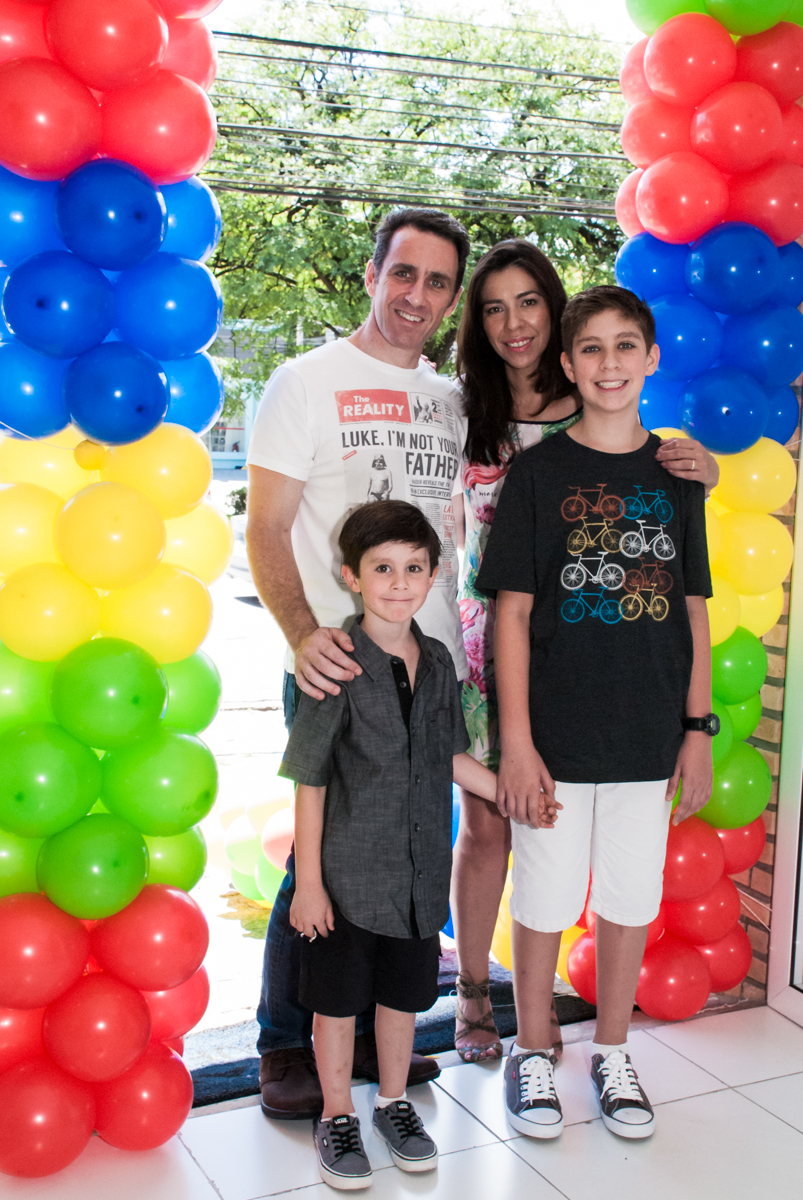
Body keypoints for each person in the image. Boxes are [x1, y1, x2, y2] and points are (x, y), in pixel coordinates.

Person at [450, 239, 720, 1064]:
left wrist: (697, 727)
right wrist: (519, 737)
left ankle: (610, 1051)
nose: (511, 321)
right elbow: (513, 606)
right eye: (492, 307)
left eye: (526, 301)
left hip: (640, 719)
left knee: (627, 885)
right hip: (523, 679)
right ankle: (505, 1023)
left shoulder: (665, 463)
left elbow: (691, 602)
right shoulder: (491, 433)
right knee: (520, 857)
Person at [245, 207, 471, 1120]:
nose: (417, 295)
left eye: (437, 282)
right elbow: (263, 527)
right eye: (403, 274)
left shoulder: (453, 399)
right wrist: (304, 634)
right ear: (372, 275)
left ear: (452, 299)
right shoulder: (304, 382)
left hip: (431, 669)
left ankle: (381, 1045)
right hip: (335, 668)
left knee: (406, 861)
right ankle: (283, 1046)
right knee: (319, 863)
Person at [281, 501, 545, 1189]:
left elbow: (448, 756)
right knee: (336, 1004)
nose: (399, 583)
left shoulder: (434, 663)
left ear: (432, 577)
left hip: (419, 879)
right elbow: (309, 780)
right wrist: (308, 882)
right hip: (344, 877)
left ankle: (393, 1104)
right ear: (352, 576)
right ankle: (338, 1114)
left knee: (403, 999)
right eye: (382, 569)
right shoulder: (334, 662)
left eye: (413, 569)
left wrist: (507, 792)